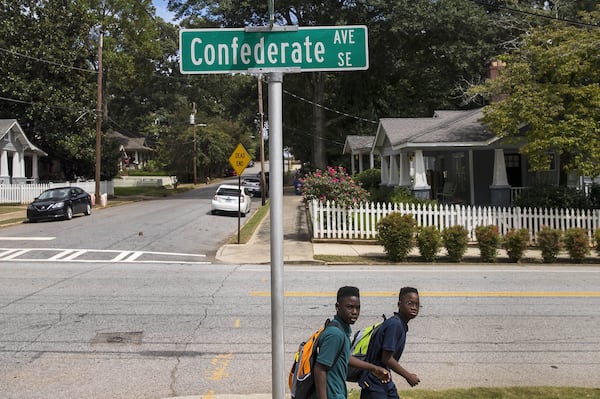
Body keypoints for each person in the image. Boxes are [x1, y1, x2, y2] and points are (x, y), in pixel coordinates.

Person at [312, 286, 390, 399]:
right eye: (349, 307)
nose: (354, 312)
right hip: (332, 394)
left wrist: (373, 368)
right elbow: (320, 369)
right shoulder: (335, 334)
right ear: (337, 307)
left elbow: (345, 357)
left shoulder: (341, 330)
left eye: (358, 308)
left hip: (338, 393)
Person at [358, 287, 421, 399]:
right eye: (410, 303)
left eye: (417, 304)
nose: (414, 307)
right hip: (375, 380)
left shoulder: (400, 324)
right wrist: (408, 376)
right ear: (399, 304)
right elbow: (387, 358)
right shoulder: (395, 325)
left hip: (384, 379)